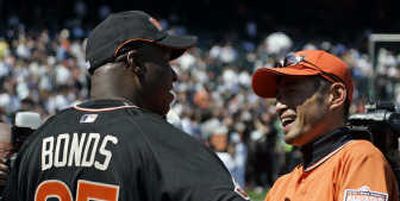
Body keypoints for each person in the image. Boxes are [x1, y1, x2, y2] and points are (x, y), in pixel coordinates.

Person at [3, 10, 249, 201]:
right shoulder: (161, 142)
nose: (173, 75)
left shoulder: (38, 142)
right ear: (135, 62)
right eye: (164, 60)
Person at [252, 50, 399, 201]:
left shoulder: (360, 158)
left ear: (335, 95)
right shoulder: (281, 186)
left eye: (291, 91)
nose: (278, 106)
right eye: (278, 97)